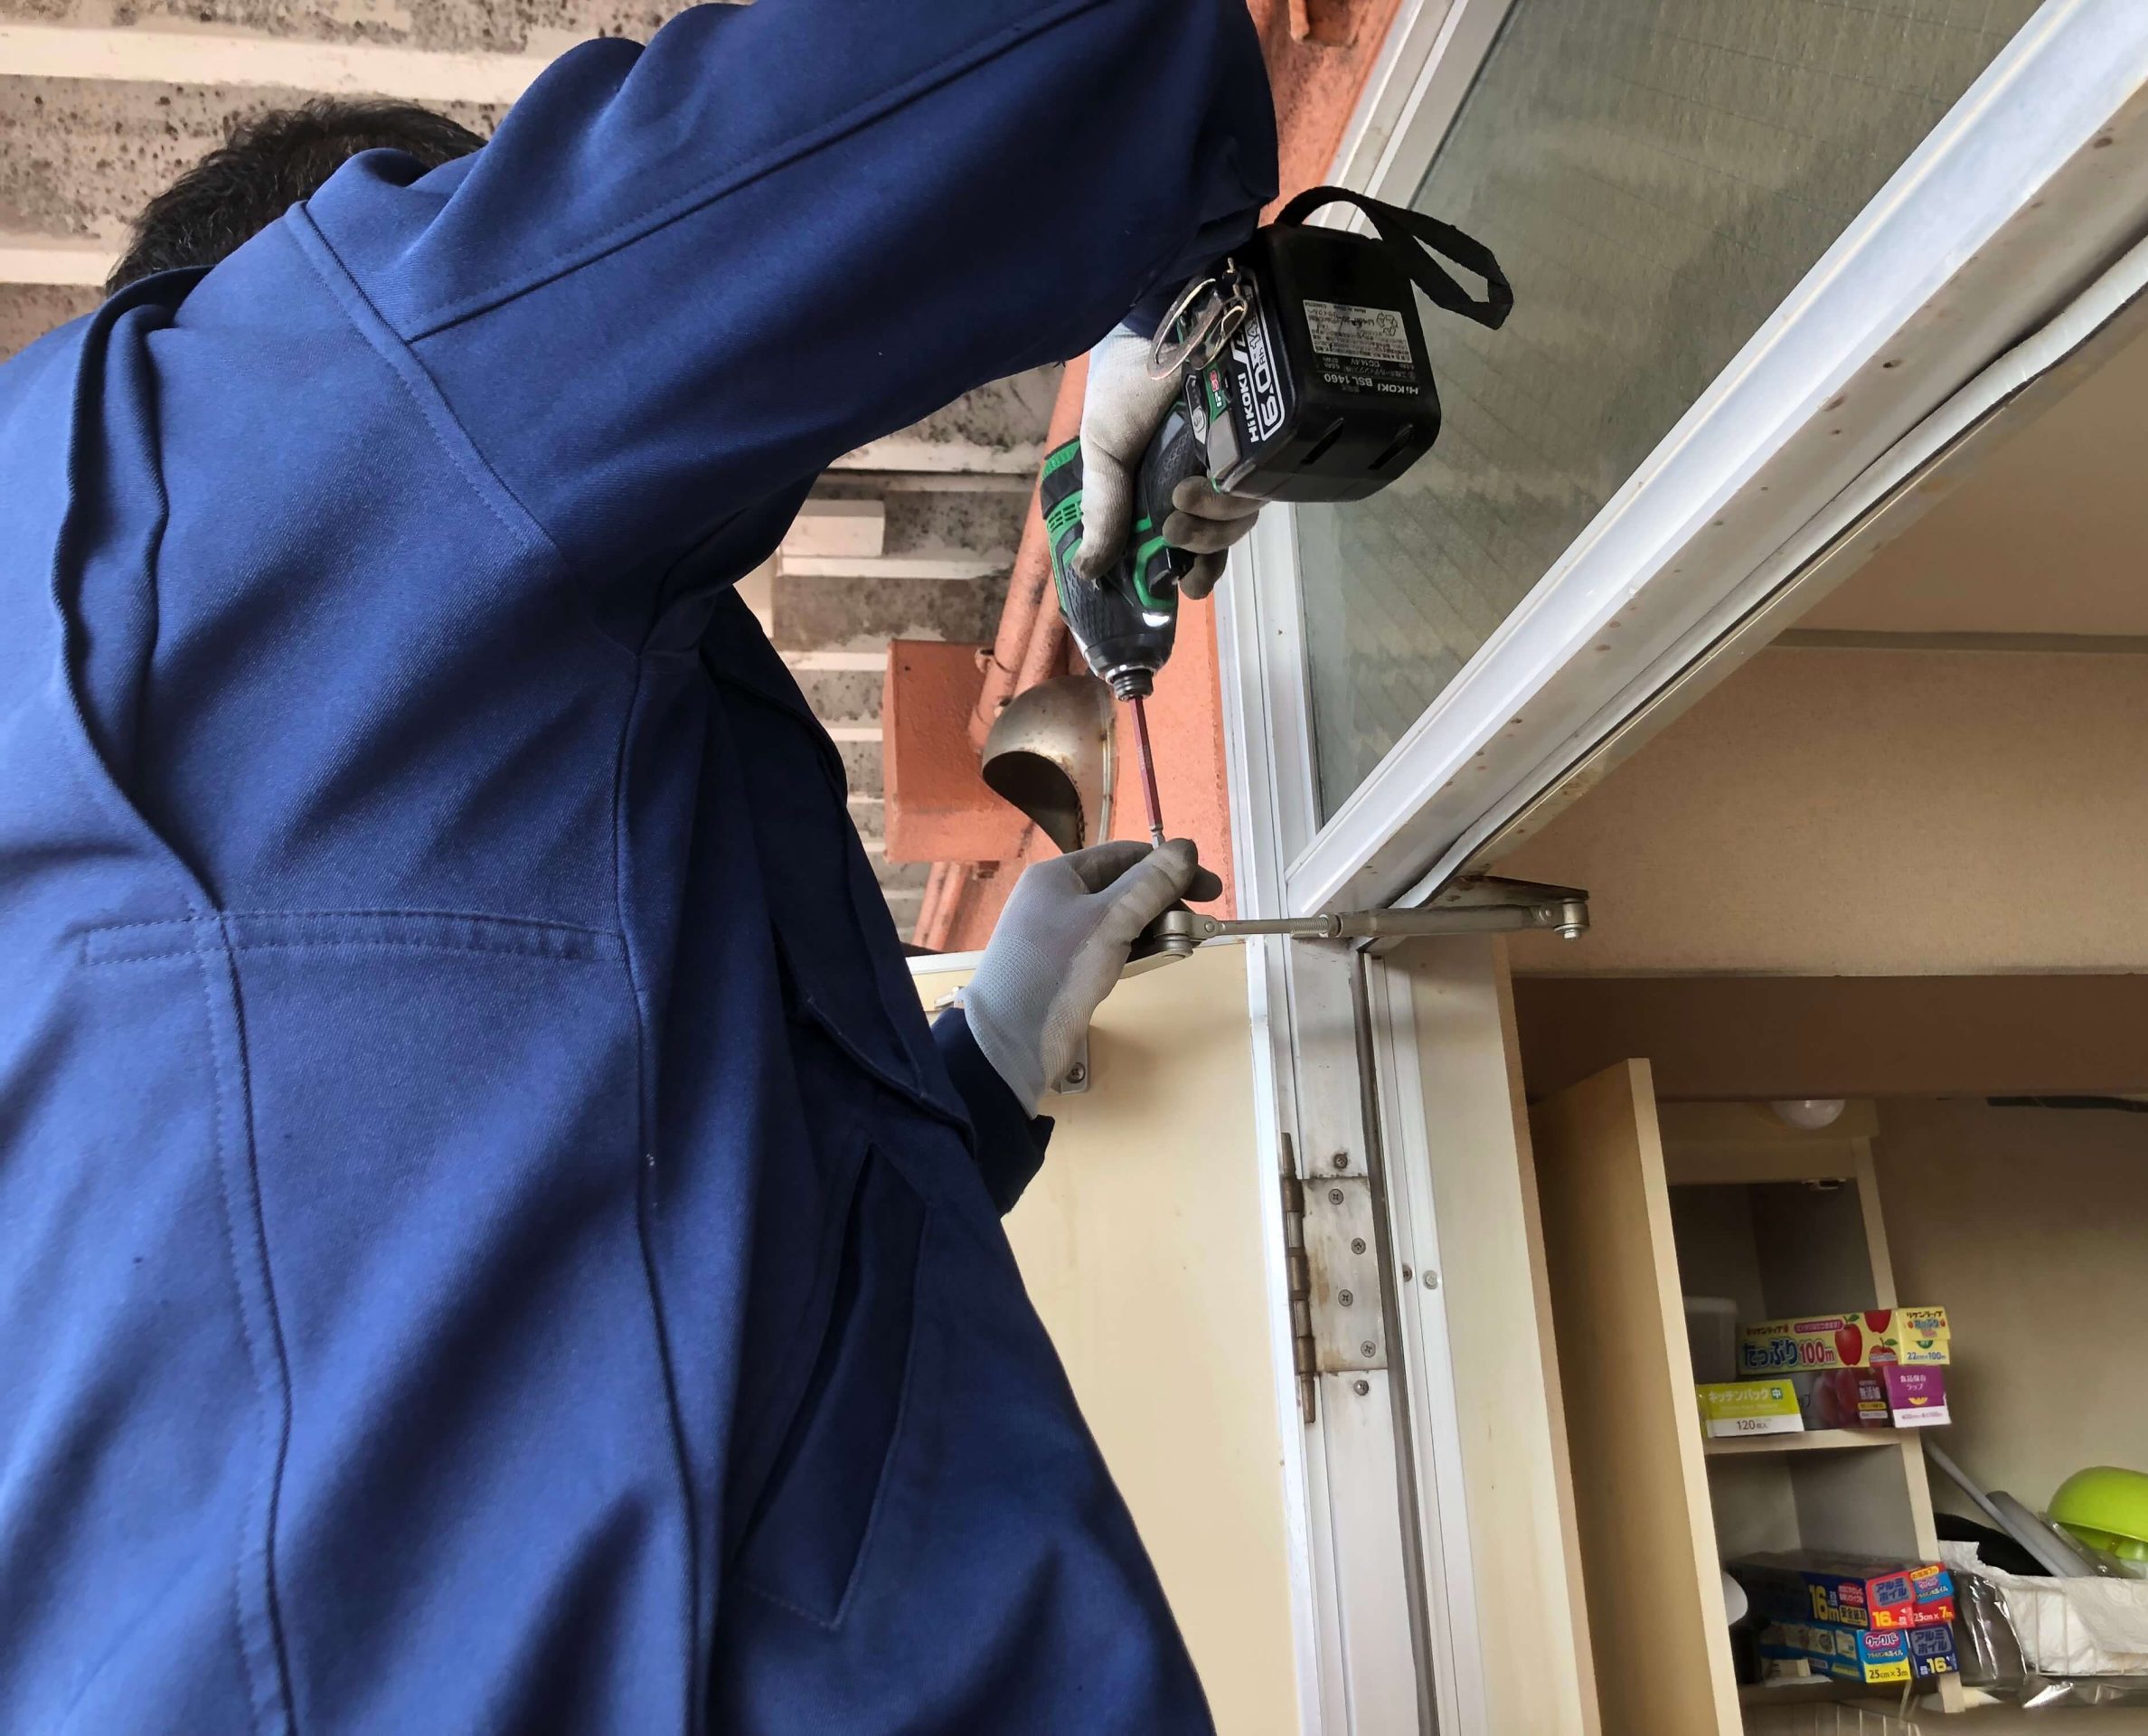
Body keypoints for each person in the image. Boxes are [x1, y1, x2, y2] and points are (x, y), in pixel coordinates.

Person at [0, 2, 1275, 1729]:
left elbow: (575, 1325)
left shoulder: (91, 862)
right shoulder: (323, 401)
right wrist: (1156, 305)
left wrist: (984, 1060)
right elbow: (1056, 42)